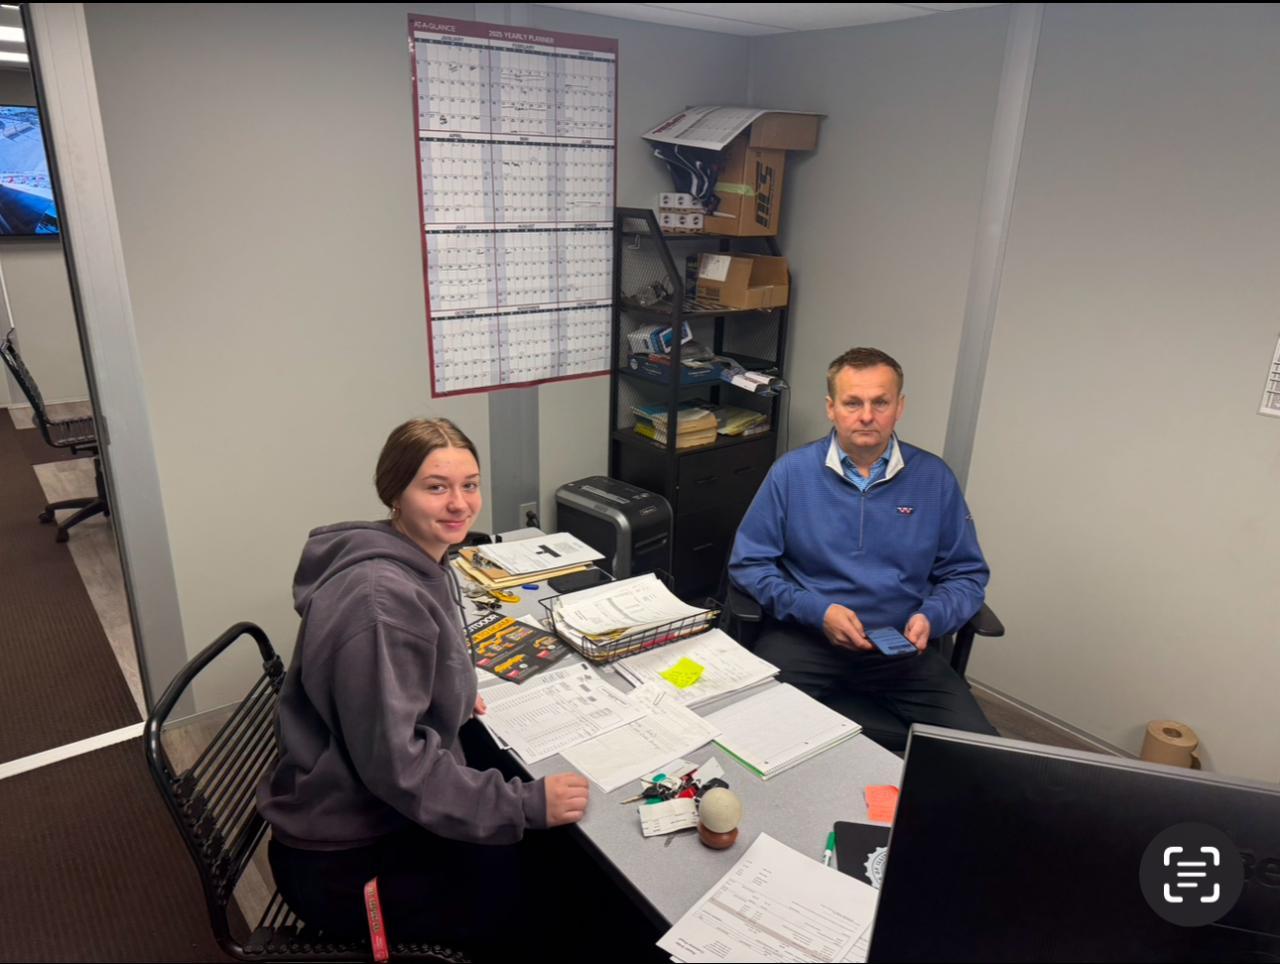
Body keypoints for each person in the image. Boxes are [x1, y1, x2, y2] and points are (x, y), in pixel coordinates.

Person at [257, 417, 589, 953]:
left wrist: (447, 688)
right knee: (545, 895)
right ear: (396, 493)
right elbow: (398, 767)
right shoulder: (380, 601)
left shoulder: (416, 556)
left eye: (469, 484)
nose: (459, 504)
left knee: (551, 856)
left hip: (369, 808)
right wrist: (522, 806)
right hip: (344, 858)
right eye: (436, 487)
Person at [729, 347, 998, 752]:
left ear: (899, 407)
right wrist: (817, 611)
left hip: (900, 645)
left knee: (984, 755)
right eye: (853, 403)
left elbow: (966, 574)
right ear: (831, 408)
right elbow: (749, 565)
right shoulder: (791, 473)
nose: (867, 416)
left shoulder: (934, 479)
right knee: (748, 740)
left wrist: (933, 617)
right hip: (807, 637)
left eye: (880, 403)